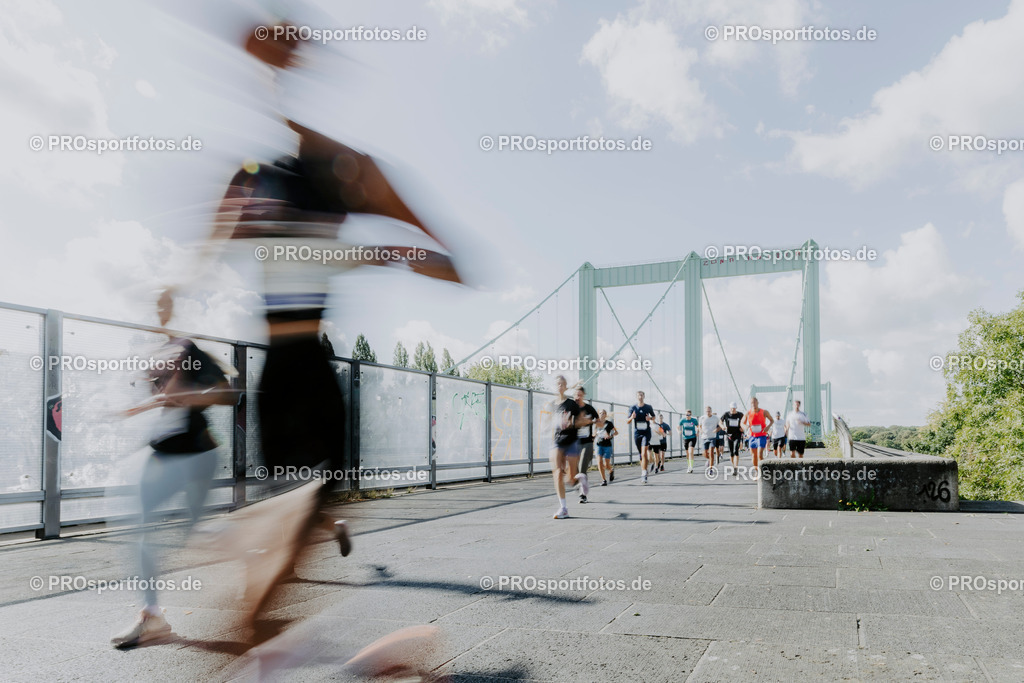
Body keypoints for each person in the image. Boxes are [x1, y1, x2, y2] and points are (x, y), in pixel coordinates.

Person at [112, 290, 239, 648]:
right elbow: (165, 398)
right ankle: (152, 616)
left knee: (188, 530)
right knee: (159, 525)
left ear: (172, 311)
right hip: (165, 452)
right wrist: (137, 409)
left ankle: (259, 548)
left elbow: (229, 393)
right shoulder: (157, 356)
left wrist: (192, 397)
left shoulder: (189, 349)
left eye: (163, 305)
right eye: (153, 306)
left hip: (195, 453)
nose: (157, 312)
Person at [550, 376, 581, 518]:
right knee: (557, 473)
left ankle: (579, 480)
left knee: (570, 479)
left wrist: (570, 423)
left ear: (566, 386)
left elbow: (581, 420)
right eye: (558, 384)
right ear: (555, 386)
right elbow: (551, 423)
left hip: (571, 439)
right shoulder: (552, 405)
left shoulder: (571, 404)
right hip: (557, 440)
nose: (560, 386)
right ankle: (563, 508)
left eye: (562, 384)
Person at [573, 386, 599, 503]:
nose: (577, 397)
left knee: (583, 467)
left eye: (580, 395)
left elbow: (598, 421)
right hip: (574, 442)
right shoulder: (571, 408)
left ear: (583, 395)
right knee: (576, 469)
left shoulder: (589, 408)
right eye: (576, 395)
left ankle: (583, 494)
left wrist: (594, 432)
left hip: (587, 442)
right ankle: (580, 485)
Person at [626, 391, 655, 484]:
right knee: (641, 456)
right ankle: (645, 468)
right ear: (636, 397)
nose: (640, 397)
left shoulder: (648, 407)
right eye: (639, 395)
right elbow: (627, 421)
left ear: (644, 396)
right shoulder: (633, 407)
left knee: (643, 453)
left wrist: (649, 419)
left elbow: (654, 417)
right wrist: (632, 417)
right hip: (637, 433)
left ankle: (643, 474)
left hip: (646, 433)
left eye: (642, 395)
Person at [742, 397, 774, 468]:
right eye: (752, 403)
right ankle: (757, 471)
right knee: (753, 456)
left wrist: (768, 427)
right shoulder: (748, 413)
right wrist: (745, 426)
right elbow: (741, 422)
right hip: (752, 436)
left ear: (757, 403)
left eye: (754, 402)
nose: (753, 404)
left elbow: (772, 420)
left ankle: (761, 471)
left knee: (759, 454)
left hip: (762, 435)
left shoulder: (764, 412)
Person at [720, 402, 744, 478]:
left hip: (737, 434)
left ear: (736, 408)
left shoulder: (740, 414)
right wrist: (722, 426)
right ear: (730, 408)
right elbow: (720, 421)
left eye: (734, 408)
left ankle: (736, 467)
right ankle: (733, 466)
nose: (733, 410)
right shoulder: (726, 414)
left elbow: (745, 422)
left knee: (735, 450)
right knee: (731, 453)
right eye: (732, 408)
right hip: (729, 435)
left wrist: (742, 428)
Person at [595, 410, 617, 485]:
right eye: (600, 413)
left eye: (603, 413)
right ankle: (604, 480)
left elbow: (616, 432)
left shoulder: (609, 423)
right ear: (599, 414)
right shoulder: (596, 423)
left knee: (607, 464)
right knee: (599, 462)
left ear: (606, 415)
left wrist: (610, 436)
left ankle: (611, 471)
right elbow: (594, 433)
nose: (602, 414)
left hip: (607, 445)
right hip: (599, 444)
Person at [698, 406, 719, 474]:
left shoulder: (715, 418)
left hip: (712, 437)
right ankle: (709, 460)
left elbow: (720, 426)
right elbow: (699, 426)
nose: (708, 412)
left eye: (709, 411)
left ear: (711, 411)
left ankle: (711, 469)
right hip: (704, 437)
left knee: (711, 452)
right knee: (704, 454)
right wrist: (700, 431)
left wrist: (717, 430)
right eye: (707, 411)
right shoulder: (702, 418)